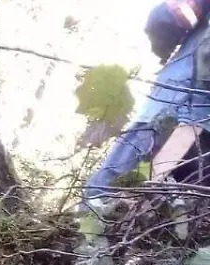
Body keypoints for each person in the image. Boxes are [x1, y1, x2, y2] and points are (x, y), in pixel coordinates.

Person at [86, 1, 210, 203]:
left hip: (179, 108)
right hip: (178, 107)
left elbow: (162, 24)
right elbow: (168, 19)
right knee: (107, 200)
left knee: (106, 201)